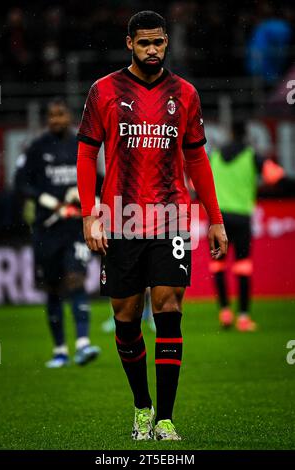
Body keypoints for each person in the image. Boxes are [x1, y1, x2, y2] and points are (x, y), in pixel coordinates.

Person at [77, 11, 227, 441]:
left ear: (166, 42)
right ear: (129, 44)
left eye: (159, 42)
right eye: (144, 43)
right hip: (120, 217)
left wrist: (214, 220)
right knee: (125, 318)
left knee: (168, 309)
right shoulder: (103, 91)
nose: (153, 50)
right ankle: (141, 406)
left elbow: (197, 158)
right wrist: (90, 214)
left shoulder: (185, 93)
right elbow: (87, 155)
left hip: (171, 216)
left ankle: (165, 417)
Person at [14, 97, 101, 368]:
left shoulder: (80, 145)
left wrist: (86, 194)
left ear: (69, 117)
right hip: (46, 228)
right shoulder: (37, 149)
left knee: (76, 280)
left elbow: (97, 181)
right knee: (53, 289)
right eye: (52, 116)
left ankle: (83, 345)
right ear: (47, 119)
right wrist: (45, 200)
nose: (56, 120)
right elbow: (21, 183)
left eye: (61, 115)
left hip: (75, 228)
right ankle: (60, 350)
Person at [209, 120, 285, 331]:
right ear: (246, 134)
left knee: (218, 267)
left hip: (218, 219)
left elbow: (195, 183)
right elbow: (277, 177)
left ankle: (224, 312)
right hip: (242, 219)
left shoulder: (214, 156)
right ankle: (243, 318)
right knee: (243, 268)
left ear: (230, 133)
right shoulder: (252, 156)